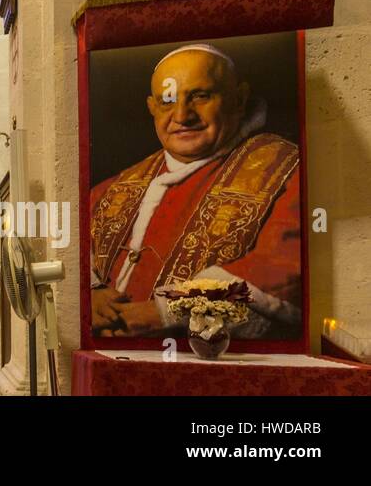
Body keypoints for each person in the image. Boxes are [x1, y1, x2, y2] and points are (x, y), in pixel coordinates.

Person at [90, 44, 301, 339]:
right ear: (152, 107)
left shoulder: (286, 169)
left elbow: (283, 276)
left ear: (238, 99)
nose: (182, 115)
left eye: (200, 96)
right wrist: (91, 295)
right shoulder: (111, 189)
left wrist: (164, 312)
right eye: (167, 100)